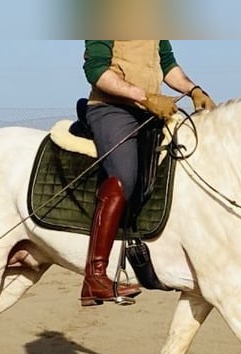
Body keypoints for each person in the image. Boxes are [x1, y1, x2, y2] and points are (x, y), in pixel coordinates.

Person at [80, 40, 216, 307]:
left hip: (151, 110)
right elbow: (95, 70)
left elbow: (168, 66)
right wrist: (144, 96)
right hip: (112, 109)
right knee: (124, 179)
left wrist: (194, 90)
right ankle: (94, 276)